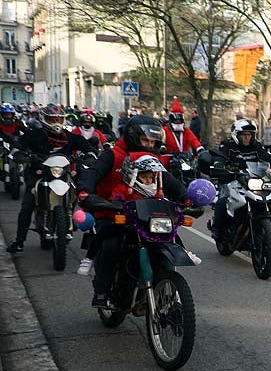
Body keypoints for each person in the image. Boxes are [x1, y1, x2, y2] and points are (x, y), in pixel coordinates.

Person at [76, 116, 190, 306]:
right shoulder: (113, 155)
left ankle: (164, 283)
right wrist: (85, 192)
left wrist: (187, 197)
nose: (149, 145)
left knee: (171, 239)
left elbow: (171, 182)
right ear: (133, 137)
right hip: (112, 212)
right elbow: (93, 173)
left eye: (153, 141)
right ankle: (102, 292)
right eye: (145, 140)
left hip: (148, 215)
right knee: (111, 245)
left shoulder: (152, 160)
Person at [6, 104, 98, 255]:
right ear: (43, 119)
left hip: (63, 175)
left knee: (78, 190)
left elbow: (86, 146)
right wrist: (19, 153)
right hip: (39, 174)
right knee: (27, 206)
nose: (56, 122)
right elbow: (19, 145)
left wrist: (90, 155)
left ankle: (69, 216)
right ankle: (19, 241)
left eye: (58, 119)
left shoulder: (69, 137)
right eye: (52, 119)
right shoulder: (34, 134)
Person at [210, 119, 271, 242]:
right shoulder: (228, 145)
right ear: (237, 135)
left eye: (250, 134)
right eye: (244, 135)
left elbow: (265, 156)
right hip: (231, 179)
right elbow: (220, 157)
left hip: (250, 179)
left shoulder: (256, 146)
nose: (247, 138)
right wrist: (219, 164)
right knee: (222, 201)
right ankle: (218, 229)